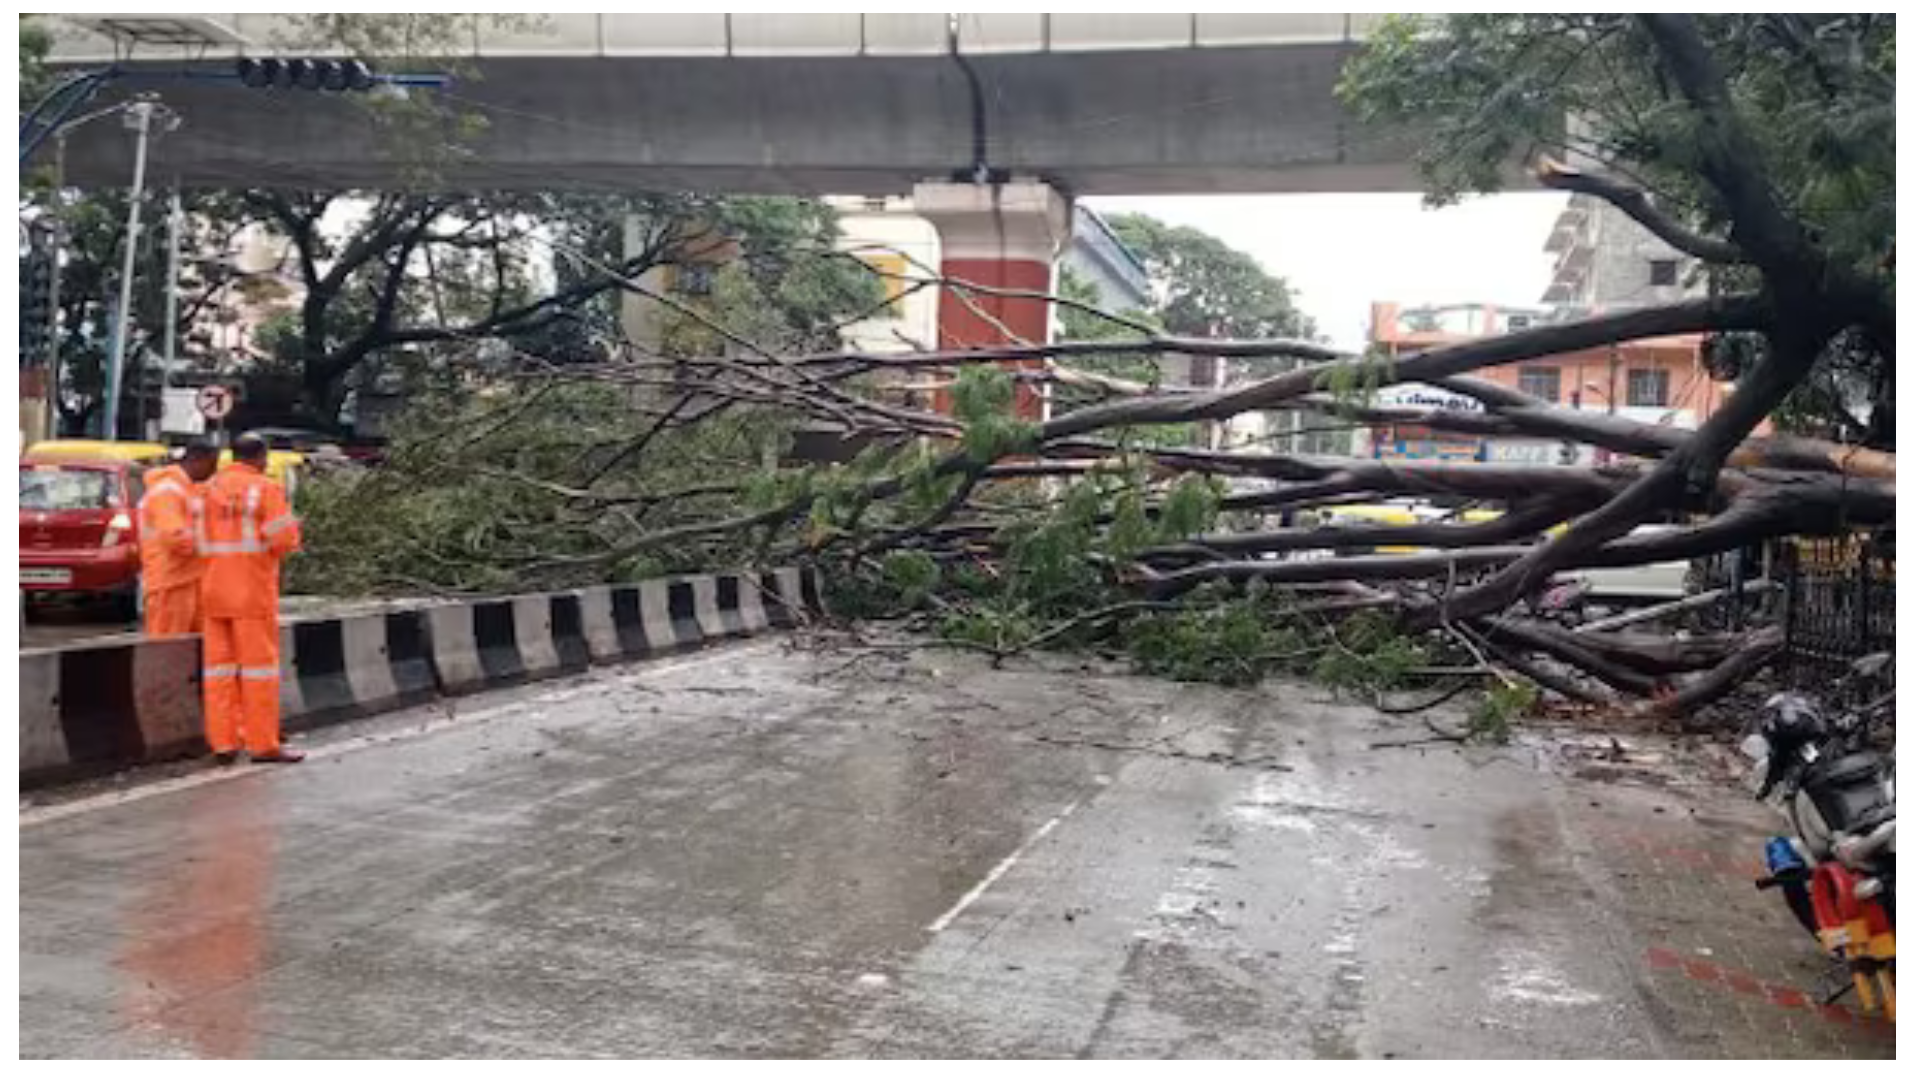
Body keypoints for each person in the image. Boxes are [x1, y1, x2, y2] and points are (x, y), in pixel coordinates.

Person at [197, 432, 304, 764]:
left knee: (218, 672)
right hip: (251, 592)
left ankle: (223, 743)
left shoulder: (208, 490)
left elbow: (194, 539)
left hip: (213, 591)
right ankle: (262, 744)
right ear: (261, 457)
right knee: (259, 672)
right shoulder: (266, 489)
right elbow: (284, 540)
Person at [137, 440, 219, 636]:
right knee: (169, 650)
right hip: (169, 582)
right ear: (198, 461)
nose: (213, 472)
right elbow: (175, 538)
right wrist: (211, 547)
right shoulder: (168, 491)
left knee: (187, 650)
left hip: (186, 579)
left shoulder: (186, 489)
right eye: (212, 465)